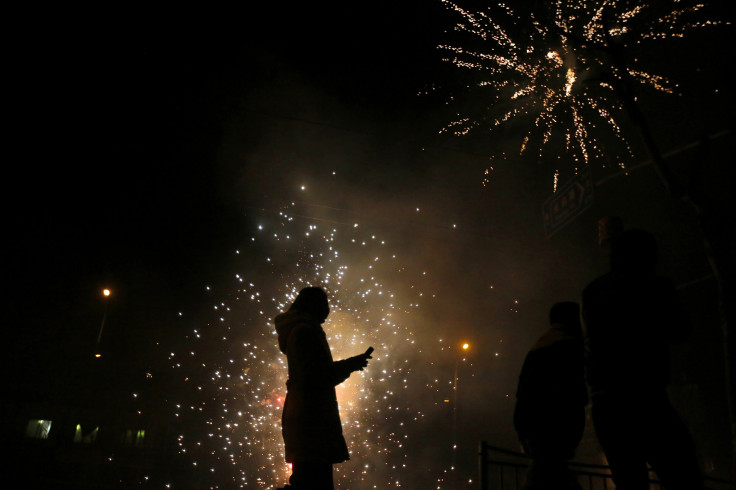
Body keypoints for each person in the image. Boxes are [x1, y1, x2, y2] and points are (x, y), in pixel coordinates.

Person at [582, 228, 704, 490]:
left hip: (605, 402)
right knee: (684, 474)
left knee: (630, 482)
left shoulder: (592, 291)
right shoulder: (656, 286)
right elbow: (681, 331)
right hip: (645, 398)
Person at [274, 286, 372, 490]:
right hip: (311, 419)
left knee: (307, 478)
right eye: (323, 304)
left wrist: (349, 364)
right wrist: (350, 365)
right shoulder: (305, 332)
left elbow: (315, 374)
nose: (327, 310)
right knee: (314, 481)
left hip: (307, 418)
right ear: (310, 304)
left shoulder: (301, 330)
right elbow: (316, 376)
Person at [514, 301, 588, 490]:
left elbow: (523, 392)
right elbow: (573, 392)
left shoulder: (539, 346)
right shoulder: (570, 345)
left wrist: (523, 431)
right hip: (555, 428)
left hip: (533, 429)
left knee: (543, 476)